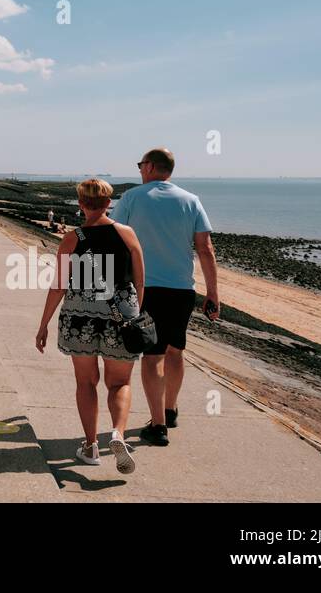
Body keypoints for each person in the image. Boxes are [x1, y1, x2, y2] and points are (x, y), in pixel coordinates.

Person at [36, 179, 146, 473]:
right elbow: (139, 280)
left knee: (86, 382)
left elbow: (58, 286)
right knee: (120, 382)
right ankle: (118, 435)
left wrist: (44, 324)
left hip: (79, 316)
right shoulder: (127, 235)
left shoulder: (72, 239)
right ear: (109, 203)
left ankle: (90, 446)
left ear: (81, 205)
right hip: (121, 315)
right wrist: (134, 315)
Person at [112, 147, 220, 446]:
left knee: (152, 355)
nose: (139, 169)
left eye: (140, 164)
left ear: (150, 167)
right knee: (176, 350)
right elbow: (205, 249)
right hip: (182, 290)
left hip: (145, 289)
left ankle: (158, 425)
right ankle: (170, 409)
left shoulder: (132, 198)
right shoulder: (191, 200)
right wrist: (212, 292)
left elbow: (114, 239)